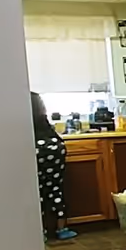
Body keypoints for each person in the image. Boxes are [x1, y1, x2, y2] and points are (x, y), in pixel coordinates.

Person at [33, 92, 76, 241]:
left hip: (36, 150)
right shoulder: (42, 119)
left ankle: (41, 232)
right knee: (55, 189)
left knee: (36, 193)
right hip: (55, 148)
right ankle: (62, 229)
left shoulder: (23, 118)